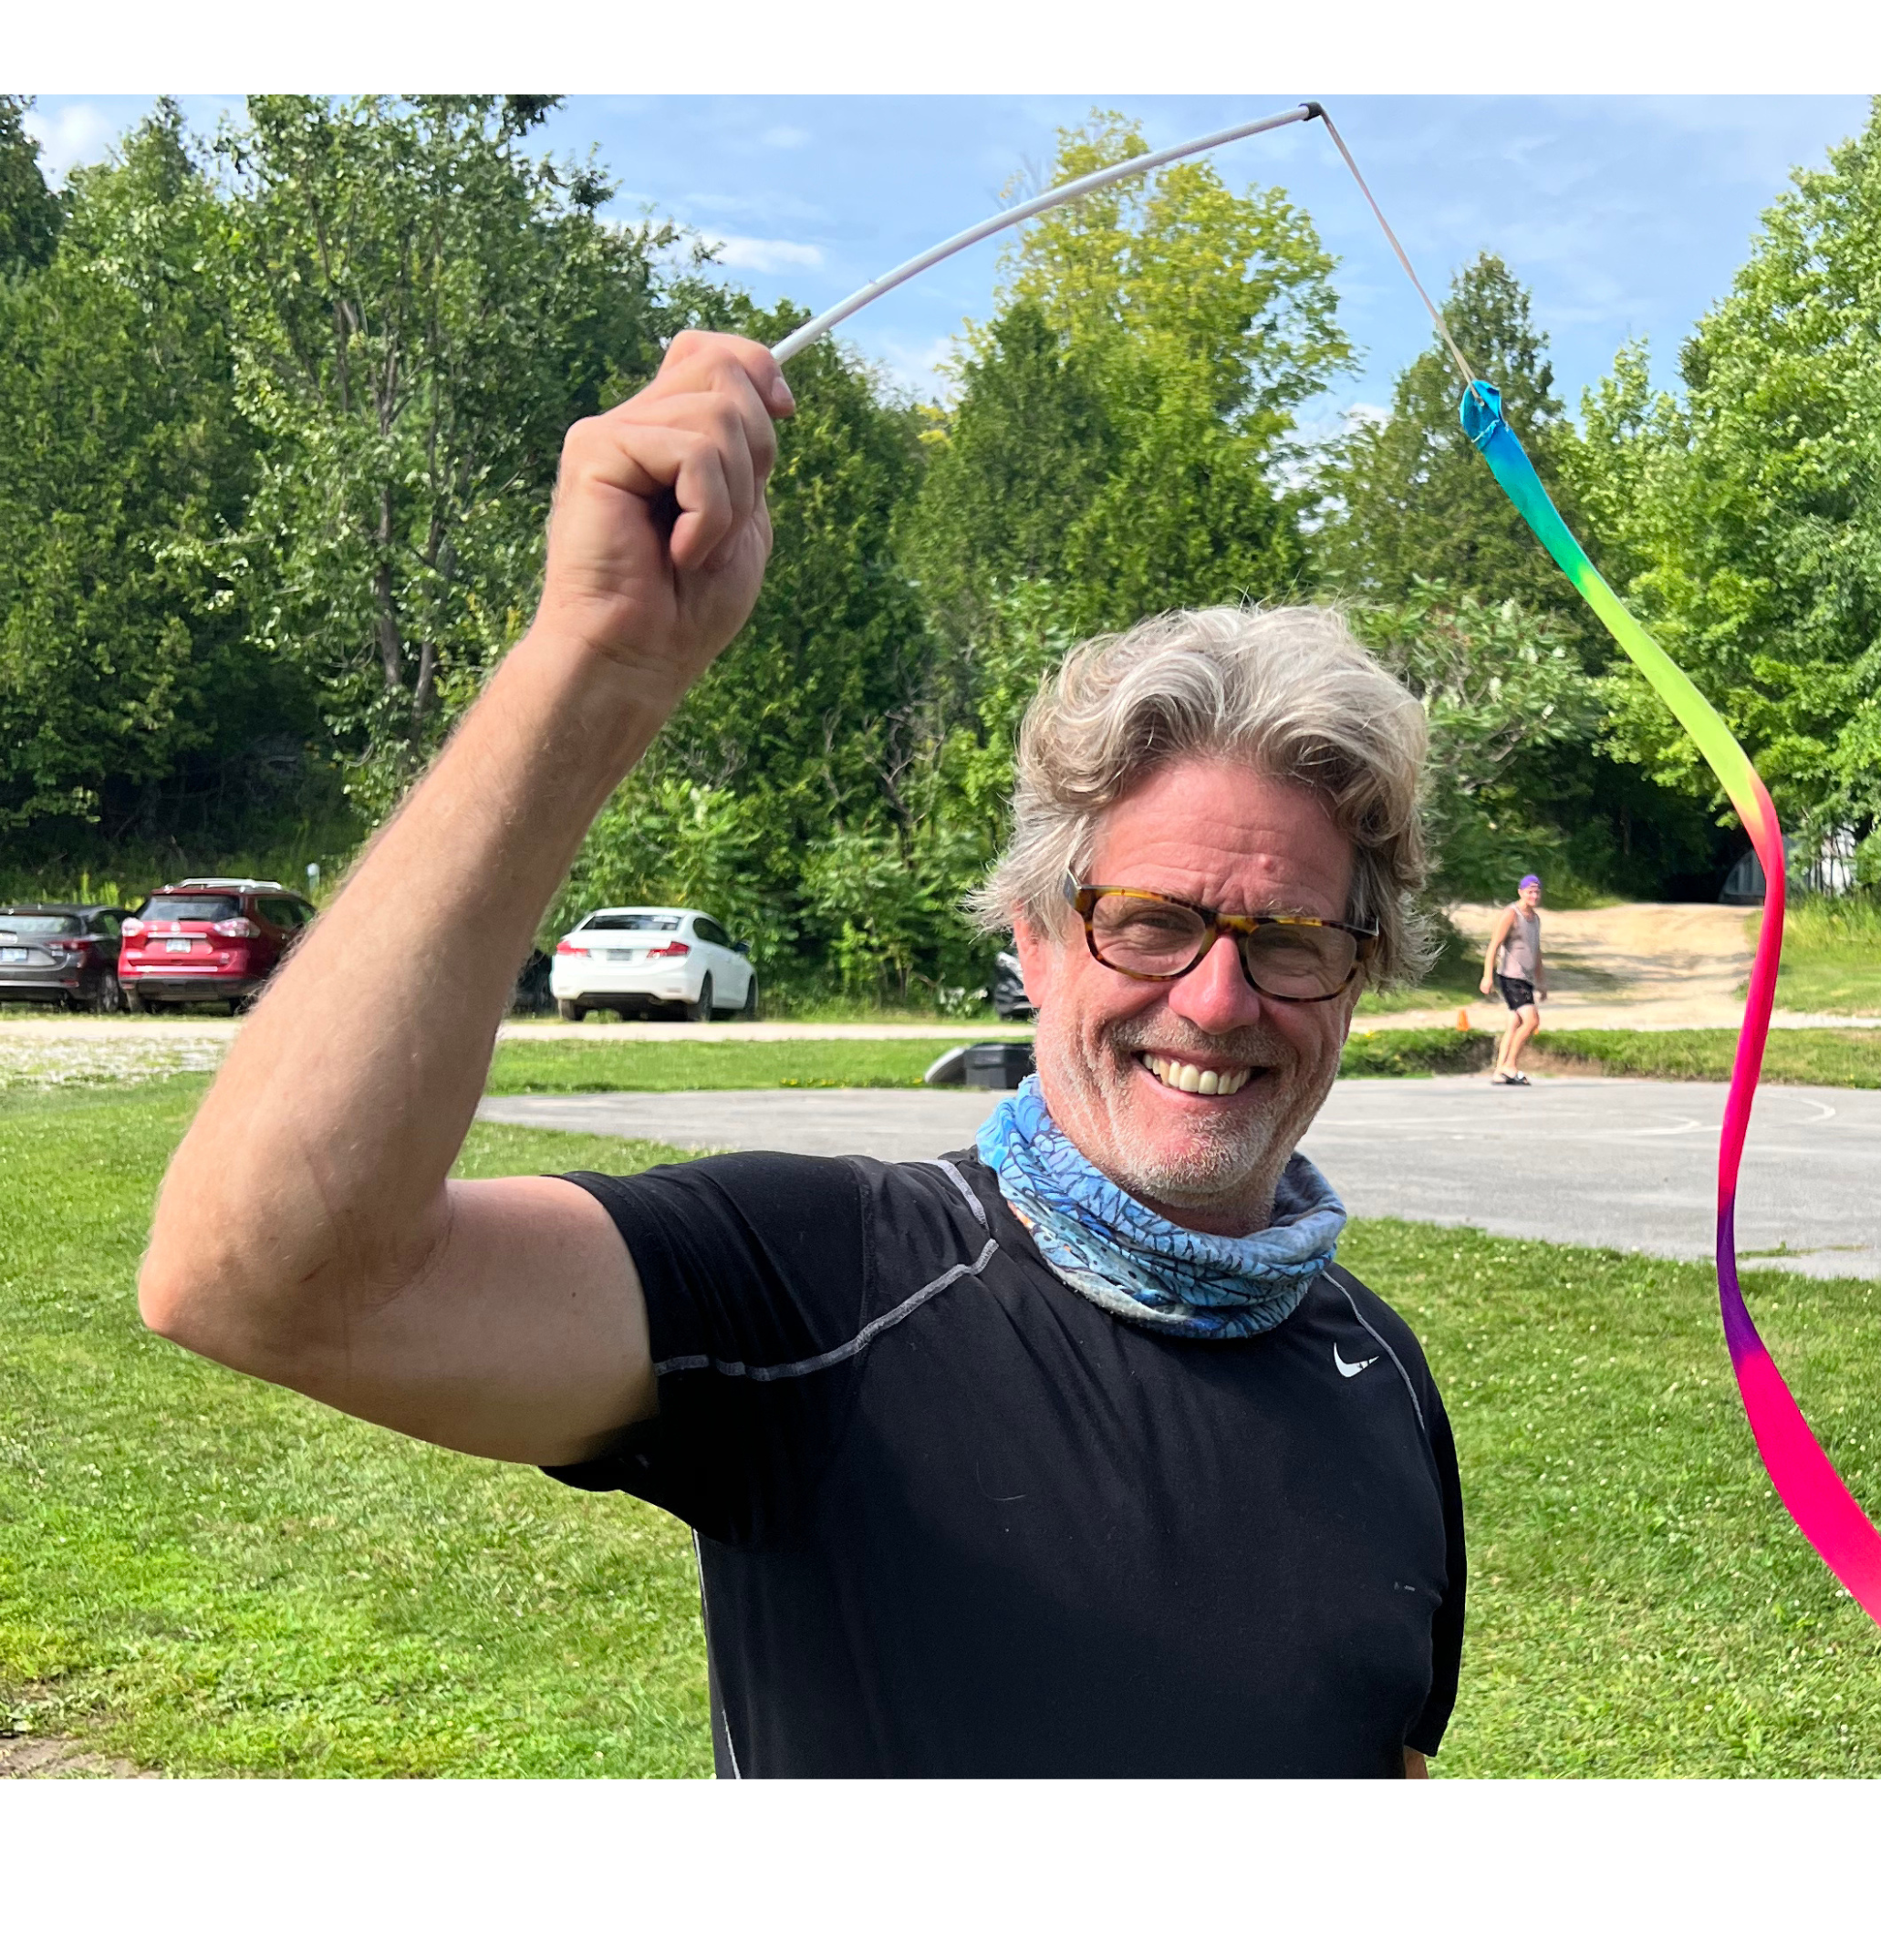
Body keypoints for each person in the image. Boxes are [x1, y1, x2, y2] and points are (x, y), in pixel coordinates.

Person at [136, 331, 1463, 1779]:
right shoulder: (825, 1279)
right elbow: (266, 1273)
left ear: (1358, 972)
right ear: (1030, 938)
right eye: (1149, 922)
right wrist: (596, 663)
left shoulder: (1378, 1374)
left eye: (1286, 935)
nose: (1216, 1001)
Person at [1478, 873, 1548, 1084]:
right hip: (1510, 977)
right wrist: (1486, 976)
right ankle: (1510, 1065)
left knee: (1514, 1024)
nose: (1534, 896)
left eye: (1537, 892)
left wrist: (1541, 981)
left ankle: (1500, 1071)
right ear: (1521, 892)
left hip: (1525, 979)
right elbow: (1494, 945)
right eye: (1530, 892)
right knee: (1532, 1021)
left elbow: (1536, 952)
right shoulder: (1511, 914)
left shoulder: (1535, 919)